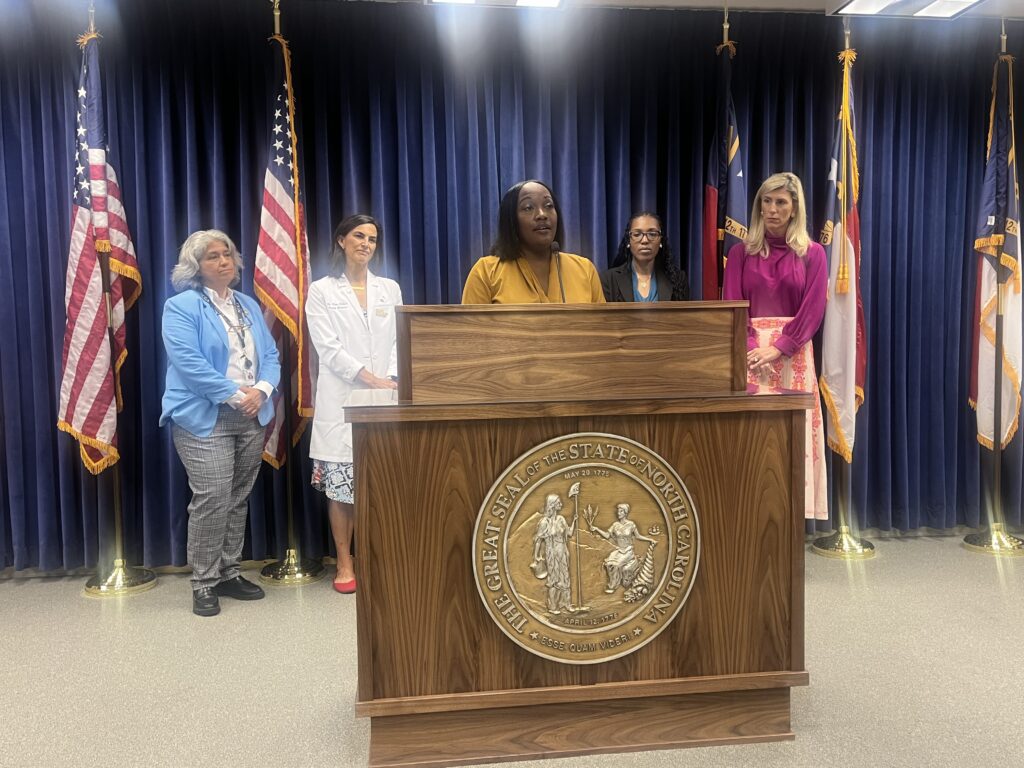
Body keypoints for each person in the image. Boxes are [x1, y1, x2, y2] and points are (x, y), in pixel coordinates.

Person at [161, 230, 281, 617]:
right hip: (203, 414)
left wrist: (262, 390)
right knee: (213, 496)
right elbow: (189, 364)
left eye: (227, 254)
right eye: (213, 257)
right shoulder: (181, 307)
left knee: (237, 494)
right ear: (196, 267)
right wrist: (237, 395)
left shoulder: (247, 303)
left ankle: (229, 572)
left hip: (251, 412)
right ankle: (204, 581)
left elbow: (272, 355)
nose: (224, 261)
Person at [722, 172, 828, 520]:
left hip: (792, 357)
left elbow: (813, 309)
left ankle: (792, 521)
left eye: (780, 202)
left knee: (791, 440)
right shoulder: (741, 253)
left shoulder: (813, 254)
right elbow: (733, 303)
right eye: (766, 202)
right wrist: (753, 350)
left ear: (795, 208)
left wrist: (780, 347)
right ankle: (754, 515)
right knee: (754, 439)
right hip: (750, 357)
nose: (772, 209)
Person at [306, 214, 401, 594]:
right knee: (343, 489)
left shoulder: (390, 288)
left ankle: (377, 557)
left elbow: (400, 337)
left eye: (373, 238)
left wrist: (391, 378)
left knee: (382, 487)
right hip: (341, 399)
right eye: (359, 236)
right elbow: (327, 348)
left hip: (387, 398)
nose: (366, 243)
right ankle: (345, 561)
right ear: (342, 240)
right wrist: (367, 377)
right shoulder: (322, 290)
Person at [462, 179, 605, 304]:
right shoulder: (485, 272)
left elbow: (602, 329)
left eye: (549, 206)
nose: (542, 215)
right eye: (528, 208)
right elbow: (471, 333)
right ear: (511, 220)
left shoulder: (584, 270)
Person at [601, 212, 688, 302]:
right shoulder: (608, 280)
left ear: (661, 240)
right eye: (637, 234)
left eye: (652, 234)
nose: (645, 240)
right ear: (628, 241)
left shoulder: (678, 279)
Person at [588, 503, 657, 593]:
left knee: (616, 565)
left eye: (621, 511)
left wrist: (650, 540)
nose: (618, 513)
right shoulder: (615, 525)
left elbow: (638, 536)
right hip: (619, 550)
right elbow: (607, 535)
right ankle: (613, 583)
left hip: (628, 551)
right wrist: (596, 529)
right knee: (609, 564)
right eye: (618, 511)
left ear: (625, 513)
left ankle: (613, 586)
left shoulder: (631, 524)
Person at [531, 494, 577, 614]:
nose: (560, 504)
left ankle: (567, 604)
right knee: (554, 579)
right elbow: (538, 540)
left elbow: (570, 533)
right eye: (558, 502)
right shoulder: (544, 522)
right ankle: (553, 607)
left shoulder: (561, 519)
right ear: (552, 505)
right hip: (551, 553)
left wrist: (574, 521)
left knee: (565, 577)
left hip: (562, 550)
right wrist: (536, 556)